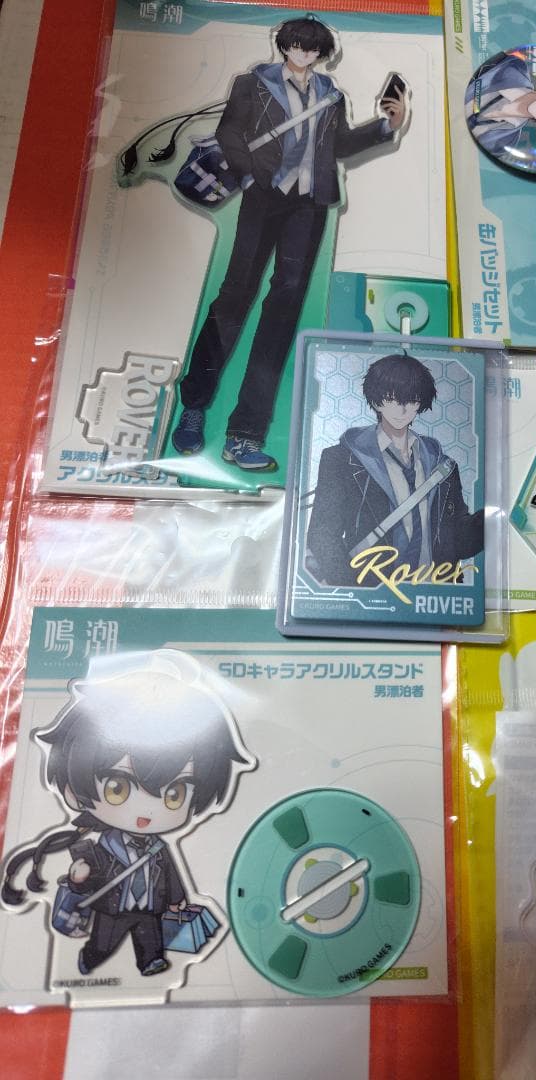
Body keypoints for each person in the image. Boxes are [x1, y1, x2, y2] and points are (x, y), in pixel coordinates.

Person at [172, 15, 407, 470]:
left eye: (312, 48)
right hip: (263, 198)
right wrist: (255, 174)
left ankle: (245, 434)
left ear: (321, 53)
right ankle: (194, 406)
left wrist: (385, 126)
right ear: (284, 45)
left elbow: (338, 145)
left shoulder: (330, 94)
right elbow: (229, 133)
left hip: (308, 205)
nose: (304, 53)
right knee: (234, 297)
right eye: (297, 45)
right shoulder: (251, 84)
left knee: (282, 311)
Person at [1, 656, 250, 977]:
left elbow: (171, 874)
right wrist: (78, 877)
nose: (146, 811)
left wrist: (177, 901)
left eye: (174, 794)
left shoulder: (158, 848)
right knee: (104, 943)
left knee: (151, 939)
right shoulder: (100, 847)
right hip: (112, 908)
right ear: (75, 789)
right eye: (117, 788)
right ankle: (90, 958)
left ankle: (151, 961)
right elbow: (88, 875)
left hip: (148, 908)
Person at [305, 352, 484, 587]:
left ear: (420, 403)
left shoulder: (443, 467)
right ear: (376, 401)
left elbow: (459, 541)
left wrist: (493, 519)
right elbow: (322, 533)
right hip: (373, 590)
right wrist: (353, 589)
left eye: (411, 400)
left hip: (433, 593)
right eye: (391, 399)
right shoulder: (342, 460)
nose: (402, 409)